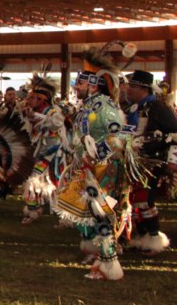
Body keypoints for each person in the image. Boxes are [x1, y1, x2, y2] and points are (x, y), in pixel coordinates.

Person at [56, 45, 133, 280]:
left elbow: (121, 135)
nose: (75, 87)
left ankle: (109, 265)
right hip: (90, 168)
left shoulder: (104, 106)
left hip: (104, 168)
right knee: (87, 212)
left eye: (79, 83)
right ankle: (101, 258)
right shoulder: (89, 106)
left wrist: (94, 154)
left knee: (101, 215)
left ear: (92, 85)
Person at [124, 69, 176, 255]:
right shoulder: (133, 109)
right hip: (135, 160)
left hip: (153, 161)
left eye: (132, 86)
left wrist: (173, 161)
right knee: (135, 200)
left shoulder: (160, 109)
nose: (128, 90)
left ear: (144, 89)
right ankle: (143, 237)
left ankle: (154, 238)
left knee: (144, 200)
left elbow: (175, 134)